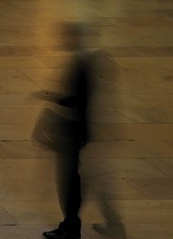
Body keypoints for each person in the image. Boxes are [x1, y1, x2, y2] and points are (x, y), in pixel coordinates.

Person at [38, 24, 119, 239]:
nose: (63, 40)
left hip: (74, 132)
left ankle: (71, 227)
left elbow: (77, 100)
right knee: (81, 182)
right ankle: (89, 224)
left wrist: (50, 97)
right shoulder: (88, 60)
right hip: (80, 131)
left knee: (70, 183)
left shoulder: (82, 63)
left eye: (67, 37)